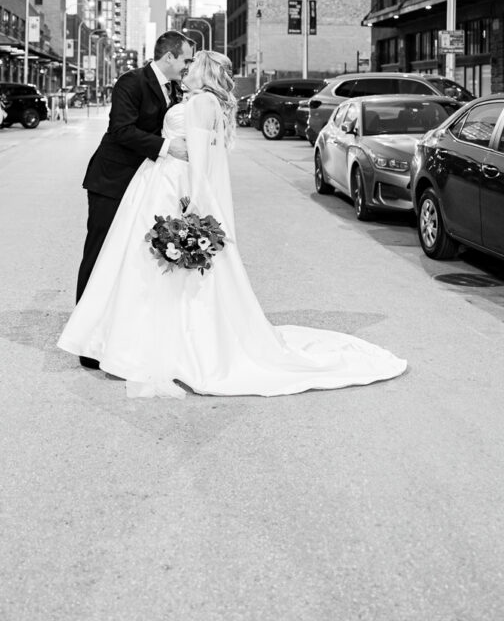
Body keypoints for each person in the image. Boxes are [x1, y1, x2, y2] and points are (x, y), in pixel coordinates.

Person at [58, 50, 406, 398]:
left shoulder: (200, 104)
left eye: (192, 64)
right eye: (185, 61)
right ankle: (130, 336)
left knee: (150, 268)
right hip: (157, 181)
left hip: (171, 185)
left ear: (203, 71)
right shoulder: (200, 100)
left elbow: (200, 159)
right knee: (135, 263)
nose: (187, 67)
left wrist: (192, 208)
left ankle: (155, 342)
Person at [73, 30, 195, 368]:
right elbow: (121, 130)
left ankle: (114, 330)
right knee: (98, 255)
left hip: (144, 185)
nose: (187, 66)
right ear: (169, 56)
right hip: (112, 180)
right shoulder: (131, 82)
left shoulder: (174, 88)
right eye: (185, 59)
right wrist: (168, 147)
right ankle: (86, 339)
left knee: (123, 258)